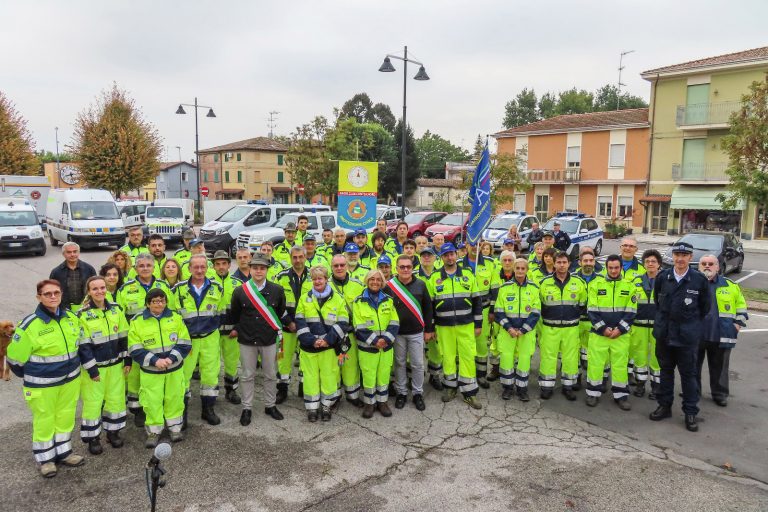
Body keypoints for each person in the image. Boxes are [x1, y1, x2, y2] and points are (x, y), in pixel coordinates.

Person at [7, 279, 86, 478]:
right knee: (44, 420)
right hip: (42, 385)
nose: (52, 297)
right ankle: (46, 459)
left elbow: (78, 346)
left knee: (65, 417)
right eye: (47, 294)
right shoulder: (29, 325)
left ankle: (64, 452)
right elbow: (14, 359)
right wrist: (34, 375)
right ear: (38, 297)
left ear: (61, 295)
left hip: (69, 381)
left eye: (56, 293)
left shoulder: (70, 317)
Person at [649, 242, 710, 432]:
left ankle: (690, 412)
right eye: (677, 254)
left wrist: (689, 325)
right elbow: (657, 303)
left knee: (688, 376)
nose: (680, 258)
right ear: (673, 256)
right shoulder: (663, 277)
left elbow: (704, 308)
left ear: (690, 258)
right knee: (665, 372)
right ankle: (664, 406)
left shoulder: (699, 280)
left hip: (686, 337)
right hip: (665, 334)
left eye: (684, 255)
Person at [116, 253, 175, 427]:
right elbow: (120, 318)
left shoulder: (163, 286)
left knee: (158, 378)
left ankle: (160, 408)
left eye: (148, 266)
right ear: (135, 268)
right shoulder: (125, 289)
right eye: (141, 266)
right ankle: (138, 410)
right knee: (135, 378)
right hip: (136, 341)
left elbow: (171, 313)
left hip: (160, 341)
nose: (145, 269)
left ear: (154, 267)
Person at [128, 289, 191, 447]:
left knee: (175, 398)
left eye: (162, 301)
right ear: (148, 303)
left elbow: (184, 342)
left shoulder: (176, 318)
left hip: (174, 369)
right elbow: (134, 348)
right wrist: (155, 361)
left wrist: (170, 358)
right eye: (155, 301)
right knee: (152, 400)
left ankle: (175, 428)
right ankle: (154, 432)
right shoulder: (137, 321)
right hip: (151, 372)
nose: (159, 304)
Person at [230, 254, 289, 425]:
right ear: (250, 269)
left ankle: (270, 405)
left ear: (267, 270)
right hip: (247, 339)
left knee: (270, 374)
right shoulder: (240, 291)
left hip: (269, 339)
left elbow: (279, 313)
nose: (258, 271)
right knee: (248, 375)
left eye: (262, 268)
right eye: (255, 267)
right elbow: (236, 315)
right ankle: (246, 408)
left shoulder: (277, 290)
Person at [76, 276, 130, 455]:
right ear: (89, 292)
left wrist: (127, 360)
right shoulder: (82, 314)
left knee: (116, 400)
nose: (99, 291)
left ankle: (113, 433)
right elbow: (83, 346)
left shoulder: (116, 310)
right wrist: (92, 369)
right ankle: (93, 438)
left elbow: (124, 337)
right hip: (96, 368)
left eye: (102, 287)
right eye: (95, 289)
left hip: (116, 365)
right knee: (93, 403)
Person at [426, 243, 483, 409]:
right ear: (441, 257)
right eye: (446, 255)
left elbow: (477, 301)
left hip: (466, 324)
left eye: (452, 254)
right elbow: (429, 305)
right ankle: (450, 388)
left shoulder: (467, 274)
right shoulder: (435, 277)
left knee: (467, 357)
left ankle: (469, 393)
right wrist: (431, 327)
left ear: (456, 255)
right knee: (448, 357)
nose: (449, 257)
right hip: (444, 327)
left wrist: (478, 324)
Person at [174, 254, 227, 426]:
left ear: (207, 268)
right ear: (189, 269)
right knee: (183, 376)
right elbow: (173, 317)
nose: (199, 270)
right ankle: (182, 413)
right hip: (187, 341)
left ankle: (208, 410)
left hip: (210, 338)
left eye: (202, 267)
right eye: (195, 267)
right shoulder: (178, 289)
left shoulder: (217, 288)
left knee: (211, 375)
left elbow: (221, 313)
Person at [295, 265, 350, 422]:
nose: (317, 281)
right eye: (314, 279)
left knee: (329, 377)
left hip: (329, 348)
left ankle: (327, 406)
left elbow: (344, 322)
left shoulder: (338, 299)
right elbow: (300, 322)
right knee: (310, 378)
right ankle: (312, 408)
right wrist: (313, 340)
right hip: (309, 348)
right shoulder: (304, 298)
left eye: (320, 278)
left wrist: (327, 340)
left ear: (327, 279)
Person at [585, 254, 637, 410]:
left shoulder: (630, 286)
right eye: (610, 268)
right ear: (606, 268)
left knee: (620, 365)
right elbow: (592, 310)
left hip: (620, 335)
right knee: (595, 364)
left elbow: (631, 311)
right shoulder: (596, 284)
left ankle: (621, 396)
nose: (613, 271)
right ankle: (593, 393)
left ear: (621, 268)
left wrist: (620, 329)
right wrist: (603, 329)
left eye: (616, 267)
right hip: (599, 334)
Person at [697, 254, 748, 407]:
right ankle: (693, 390)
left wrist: (737, 325)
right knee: (692, 366)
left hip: (721, 335)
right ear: (699, 267)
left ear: (718, 267)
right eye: (704, 263)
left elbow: (741, 307)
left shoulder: (730, 285)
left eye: (711, 264)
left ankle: (719, 394)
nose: (707, 266)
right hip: (696, 335)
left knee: (720, 367)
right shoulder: (692, 284)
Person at [538, 251, 587, 401]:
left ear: (569, 264)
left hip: (571, 328)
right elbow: (539, 305)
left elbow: (583, 305)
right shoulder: (544, 283)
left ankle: (568, 387)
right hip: (550, 327)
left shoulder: (578, 283)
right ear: (553, 263)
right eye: (558, 262)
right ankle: (547, 386)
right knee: (548, 357)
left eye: (564, 262)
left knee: (570, 358)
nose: (561, 265)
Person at [387, 254, 434, 411]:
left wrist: (428, 329)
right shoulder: (389, 286)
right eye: (402, 267)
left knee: (418, 364)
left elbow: (428, 308)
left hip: (416, 332)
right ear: (397, 268)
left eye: (408, 266)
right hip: (397, 333)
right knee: (399, 363)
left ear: (412, 268)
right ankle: (401, 392)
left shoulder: (421, 284)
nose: (405, 269)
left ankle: (417, 393)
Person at [353, 270, 400, 418]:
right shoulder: (358, 301)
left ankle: (382, 402)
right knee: (368, 375)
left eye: (378, 280)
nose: (375, 282)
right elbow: (358, 326)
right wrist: (375, 341)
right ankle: (369, 403)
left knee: (384, 375)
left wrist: (385, 339)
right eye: (372, 279)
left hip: (386, 347)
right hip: (367, 348)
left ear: (382, 282)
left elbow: (394, 322)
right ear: (367, 281)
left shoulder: (388, 299)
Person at [493, 258, 540, 401]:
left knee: (524, 360)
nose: (520, 271)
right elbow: (498, 311)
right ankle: (507, 388)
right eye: (517, 268)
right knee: (507, 359)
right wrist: (509, 328)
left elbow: (536, 312)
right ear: (514, 269)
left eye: (523, 268)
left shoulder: (534, 288)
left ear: (527, 270)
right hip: (508, 332)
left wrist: (523, 330)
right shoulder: (504, 288)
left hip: (526, 333)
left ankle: (522, 389)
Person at [274, 246, 312, 403]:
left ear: (305, 257)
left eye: (300, 257)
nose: (297, 260)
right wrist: (288, 322)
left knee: (306, 359)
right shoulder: (281, 277)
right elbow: (275, 303)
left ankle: (304, 388)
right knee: (283, 359)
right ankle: (282, 390)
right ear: (291, 259)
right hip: (286, 328)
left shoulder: (313, 276)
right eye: (294, 257)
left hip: (307, 328)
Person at [329, 254, 365, 407]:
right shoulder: (325, 284)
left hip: (351, 332)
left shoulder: (358, 284)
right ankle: (334, 396)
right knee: (333, 367)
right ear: (331, 267)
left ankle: (352, 395)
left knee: (351, 366)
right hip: (332, 333)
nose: (339, 268)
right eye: (336, 265)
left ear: (347, 266)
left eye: (342, 265)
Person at [459, 242, 495, 389]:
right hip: (464, 311)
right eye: (471, 244)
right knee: (464, 344)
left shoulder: (490, 263)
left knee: (481, 344)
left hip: (485, 309)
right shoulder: (459, 263)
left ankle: (480, 375)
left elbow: (495, 288)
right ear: (466, 246)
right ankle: (464, 374)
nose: (475, 247)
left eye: (477, 244)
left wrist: (492, 310)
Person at [212, 250, 244, 405]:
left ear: (229, 265)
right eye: (217, 264)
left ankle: (231, 390)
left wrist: (238, 327)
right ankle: (212, 393)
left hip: (232, 332)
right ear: (213, 266)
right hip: (213, 332)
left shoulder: (238, 284)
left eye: (224, 263)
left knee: (231, 363)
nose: (221, 267)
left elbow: (244, 310)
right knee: (212, 364)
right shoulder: (207, 283)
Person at [630, 250, 662, 398]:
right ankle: (640, 384)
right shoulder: (635, 282)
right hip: (639, 326)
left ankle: (656, 387)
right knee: (639, 356)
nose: (650, 264)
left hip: (658, 327)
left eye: (653, 262)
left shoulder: (665, 281)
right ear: (644, 264)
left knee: (657, 357)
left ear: (659, 264)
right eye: (647, 261)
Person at [572, 248, 605, 391]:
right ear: (579, 262)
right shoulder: (572, 278)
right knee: (574, 352)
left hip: (594, 323)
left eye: (591, 260)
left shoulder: (602, 280)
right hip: (576, 322)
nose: (588, 263)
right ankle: (576, 378)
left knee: (594, 353)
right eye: (585, 260)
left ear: (594, 262)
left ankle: (596, 380)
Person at [487, 250, 517, 381]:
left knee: (513, 342)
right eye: (504, 260)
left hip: (514, 315)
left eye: (510, 260)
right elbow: (491, 294)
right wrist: (491, 312)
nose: (507, 262)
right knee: (495, 341)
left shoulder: (520, 275)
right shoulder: (495, 275)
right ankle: (495, 368)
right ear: (500, 262)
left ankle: (512, 367)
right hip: (497, 315)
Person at [416, 246, 443, 390]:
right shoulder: (413, 274)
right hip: (416, 318)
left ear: (435, 258)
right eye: (424, 255)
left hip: (436, 317)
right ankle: (412, 377)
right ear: (420, 258)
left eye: (429, 255)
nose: (426, 258)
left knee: (435, 348)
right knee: (413, 350)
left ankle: (435, 376)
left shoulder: (441, 275)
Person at [49, 242, 96, 310]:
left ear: (79, 252)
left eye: (75, 251)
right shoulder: (56, 272)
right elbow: (52, 292)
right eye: (69, 252)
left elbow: (95, 288)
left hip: (87, 307)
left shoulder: (89, 269)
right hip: (64, 309)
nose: (72, 254)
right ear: (63, 254)